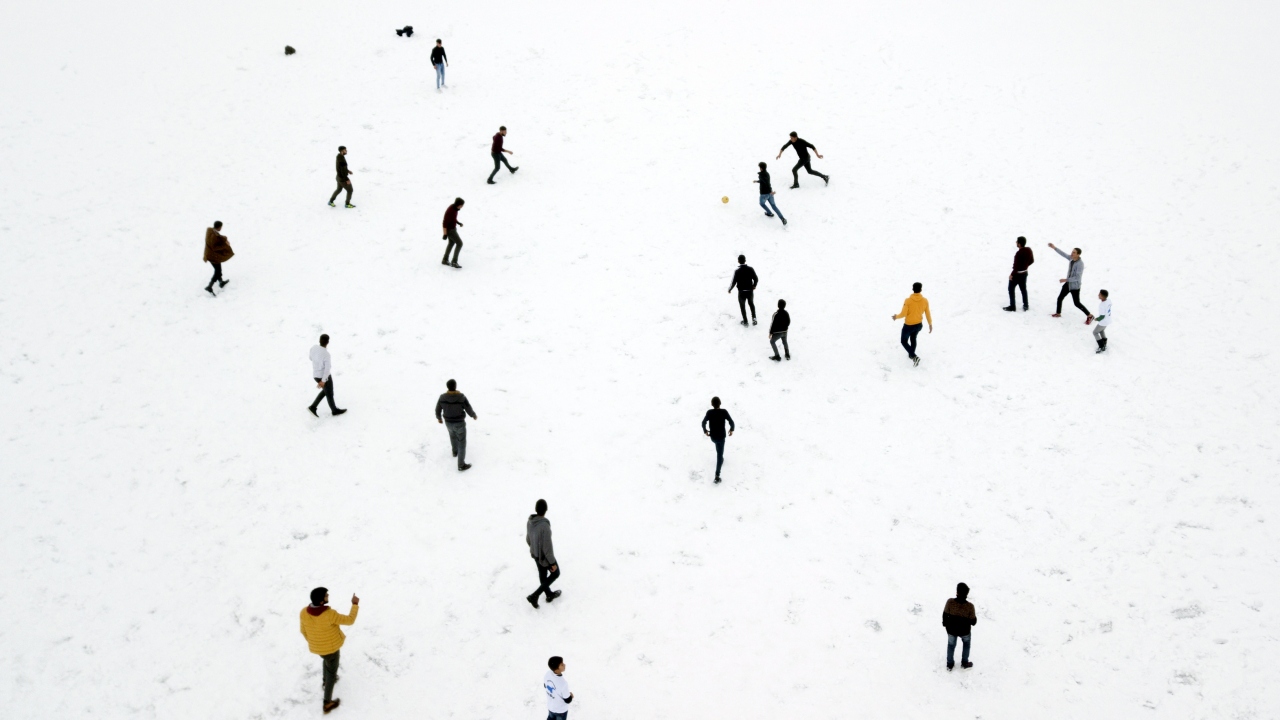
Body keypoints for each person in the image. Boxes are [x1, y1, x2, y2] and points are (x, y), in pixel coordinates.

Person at [300, 587, 360, 714]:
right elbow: (350, 620)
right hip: (331, 649)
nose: (328, 596)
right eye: (326, 595)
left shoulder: (304, 612)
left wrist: (315, 643)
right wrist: (354, 604)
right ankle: (327, 703)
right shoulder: (329, 615)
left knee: (326, 661)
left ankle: (324, 681)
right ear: (321, 601)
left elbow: (303, 631)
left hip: (319, 649)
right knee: (332, 671)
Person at [435, 379, 476, 470]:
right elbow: (468, 407)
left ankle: (454, 452)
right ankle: (461, 465)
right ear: (455, 386)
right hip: (459, 423)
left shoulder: (442, 397)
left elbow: (437, 409)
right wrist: (473, 415)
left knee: (452, 436)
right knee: (462, 442)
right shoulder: (461, 397)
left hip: (448, 423)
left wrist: (439, 418)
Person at [526, 499, 561, 608]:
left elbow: (528, 539)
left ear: (536, 509)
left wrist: (534, 549)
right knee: (556, 573)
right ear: (546, 510)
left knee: (542, 576)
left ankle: (549, 594)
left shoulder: (530, 521)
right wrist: (552, 563)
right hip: (544, 557)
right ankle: (535, 595)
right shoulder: (544, 526)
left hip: (535, 554)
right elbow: (547, 548)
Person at [1049, 243, 1092, 322]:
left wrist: (1066, 280)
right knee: (1060, 298)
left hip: (1075, 286)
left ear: (1078, 254)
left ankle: (1090, 315)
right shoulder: (1071, 258)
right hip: (1068, 284)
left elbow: (1077, 278)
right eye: (1072, 252)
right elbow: (1063, 254)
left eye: (1074, 252)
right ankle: (1058, 313)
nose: (1072, 253)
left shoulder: (1080, 264)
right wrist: (1054, 248)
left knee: (1077, 303)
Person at [892, 282, 932, 367]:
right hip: (918, 325)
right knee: (913, 338)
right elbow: (927, 313)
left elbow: (903, 314)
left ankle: (914, 356)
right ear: (921, 290)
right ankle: (911, 355)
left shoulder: (908, 301)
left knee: (903, 341)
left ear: (912, 289)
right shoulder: (925, 300)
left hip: (908, 326)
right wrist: (930, 324)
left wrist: (896, 317)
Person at [309, 334, 347, 417]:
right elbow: (327, 369)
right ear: (328, 342)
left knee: (326, 391)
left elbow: (310, 358)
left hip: (315, 375)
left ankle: (313, 407)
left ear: (319, 340)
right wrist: (323, 381)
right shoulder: (326, 354)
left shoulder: (313, 348)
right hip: (324, 377)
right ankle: (334, 410)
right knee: (329, 393)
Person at [942, 582, 976, 670]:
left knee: (951, 645)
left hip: (952, 630)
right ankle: (964, 662)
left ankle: (950, 664)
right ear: (966, 594)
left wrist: (946, 626)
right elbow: (973, 622)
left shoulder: (950, 602)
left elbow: (945, 615)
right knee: (966, 644)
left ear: (957, 592)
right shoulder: (970, 606)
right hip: (965, 631)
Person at [701, 397, 735, 484]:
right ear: (720, 403)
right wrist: (731, 429)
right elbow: (731, 422)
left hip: (713, 437)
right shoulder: (724, 412)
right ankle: (717, 475)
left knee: (718, 447)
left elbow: (703, 422)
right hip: (721, 437)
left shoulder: (709, 412)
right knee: (719, 454)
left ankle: (721, 459)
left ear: (712, 404)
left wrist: (705, 430)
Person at [203, 221, 234, 296]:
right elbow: (214, 247)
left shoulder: (210, 231)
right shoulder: (214, 235)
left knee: (218, 269)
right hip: (213, 256)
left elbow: (217, 238)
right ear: (219, 227)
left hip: (210, 255)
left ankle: (221, 282)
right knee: (218, 271)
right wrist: (226, 245)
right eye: (221, 227)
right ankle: (210, 286)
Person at [1004, 236, 1034, 311]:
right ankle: (1026, 305)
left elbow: (1016, 267)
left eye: (1017, 242)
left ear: (1019, 244)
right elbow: (1032, 261)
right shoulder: (1029, 250)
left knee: (1011, 289)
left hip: (1017, 274)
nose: (1016, 243)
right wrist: (1025, 266)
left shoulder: (1018, 253)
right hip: (1024, 273)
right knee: (1023, 289)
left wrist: (1011, 275)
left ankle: (1012, 306)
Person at [727, 255, 758, 326]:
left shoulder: (737, 271)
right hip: (750, 291)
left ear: (738, 261)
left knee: (742, 306)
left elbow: (733, 282)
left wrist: (730, 289)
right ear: (745, 260)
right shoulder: (750, 269)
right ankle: (754, 319)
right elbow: (756, 279)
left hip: (741, 292)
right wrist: (754, 286)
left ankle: (745, 321)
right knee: (751, 304)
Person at [441, 198, 465, 268]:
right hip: (450, 230)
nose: (462, 207)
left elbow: (453, 218)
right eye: (462, 205)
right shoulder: (450, 211)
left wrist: (458, 223)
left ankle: (445, 259)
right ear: (458, 205)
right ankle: (454, 262)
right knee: (460, 243)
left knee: (451, 243)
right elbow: (444, 223)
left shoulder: (454, 208)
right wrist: (445, 234)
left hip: (453, 228)